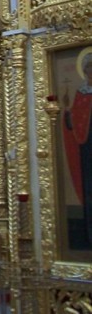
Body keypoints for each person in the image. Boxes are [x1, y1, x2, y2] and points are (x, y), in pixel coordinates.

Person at [63, 51, 92, 245]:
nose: (91, 72)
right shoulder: (81, 93)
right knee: (89, 187)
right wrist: (67, 113)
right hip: (87, 147)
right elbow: (74, 120)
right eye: (89, 69)